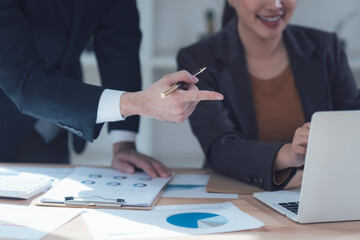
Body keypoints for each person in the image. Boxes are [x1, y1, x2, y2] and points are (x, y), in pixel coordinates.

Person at [0, 0, 223, 178]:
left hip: (57, 126)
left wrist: (123, 144)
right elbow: (26, 82)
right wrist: (140, 104)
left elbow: (120, 46)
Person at [177, 0, 360, 190]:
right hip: (239, 195)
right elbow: (219, 147)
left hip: (321, 191)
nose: (275, 5)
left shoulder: (327, 47)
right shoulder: (197, 59)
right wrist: (288, 154)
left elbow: (353, 124)